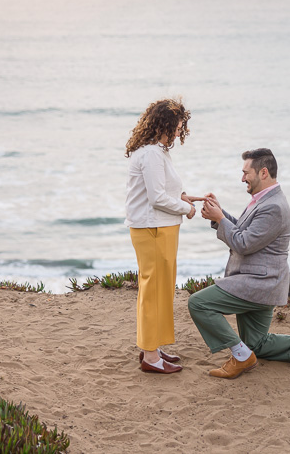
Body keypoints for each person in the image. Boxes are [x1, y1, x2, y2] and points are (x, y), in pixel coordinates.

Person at [188, 148, 290, 379]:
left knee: (199, 304)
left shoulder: (274, 206)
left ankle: (240, 356)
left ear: (263, 172)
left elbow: (244, 243)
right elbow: (246, 231)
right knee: (256, 344)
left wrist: (219, 219)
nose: (242, 178)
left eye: (246, 172)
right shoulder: (264, 199)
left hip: (258, 283)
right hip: (263, 281)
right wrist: (221, 215)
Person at [125, 98, 202, 374]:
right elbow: (156, 198)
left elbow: (162, 191)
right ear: (164, 125)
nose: (180, 131)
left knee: (162, 290)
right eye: (178, 126)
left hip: (161, 227)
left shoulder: (157, 152)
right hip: (152, 228)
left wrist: (185, 198)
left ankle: (154, 348)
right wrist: (187, 209)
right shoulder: (151, 154)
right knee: (153, 291)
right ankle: (149, 355)